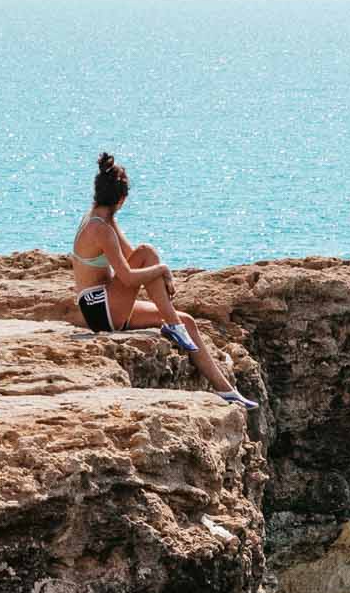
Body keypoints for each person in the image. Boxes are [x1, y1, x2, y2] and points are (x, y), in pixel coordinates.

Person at [70, 153, 254, 406]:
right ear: (122, 199)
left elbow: (130, 255)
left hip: (106, 306)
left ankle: (227, 391)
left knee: (187, 321)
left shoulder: (103, 220)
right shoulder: (99, 228)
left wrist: (156, 269)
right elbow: (129, 276)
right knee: (149, 253)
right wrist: (162, 269)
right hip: (98, 307)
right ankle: (173, 324)